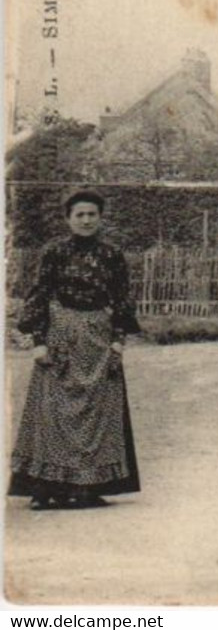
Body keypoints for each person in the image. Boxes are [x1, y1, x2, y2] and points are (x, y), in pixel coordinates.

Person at [8, 190, 142, 510]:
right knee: (53, 412)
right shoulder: (54, 252)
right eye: (79, 214)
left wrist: (118, 340)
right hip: (60, 336)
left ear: (100, 217)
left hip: (98, 338)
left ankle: (89, 487)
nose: (86, 220)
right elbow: (40, 295)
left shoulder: (112, 255)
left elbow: (122, 299)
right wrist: (39, 342)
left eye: (92, 214)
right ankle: (46, 488)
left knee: (98, 412)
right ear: (68, 218)